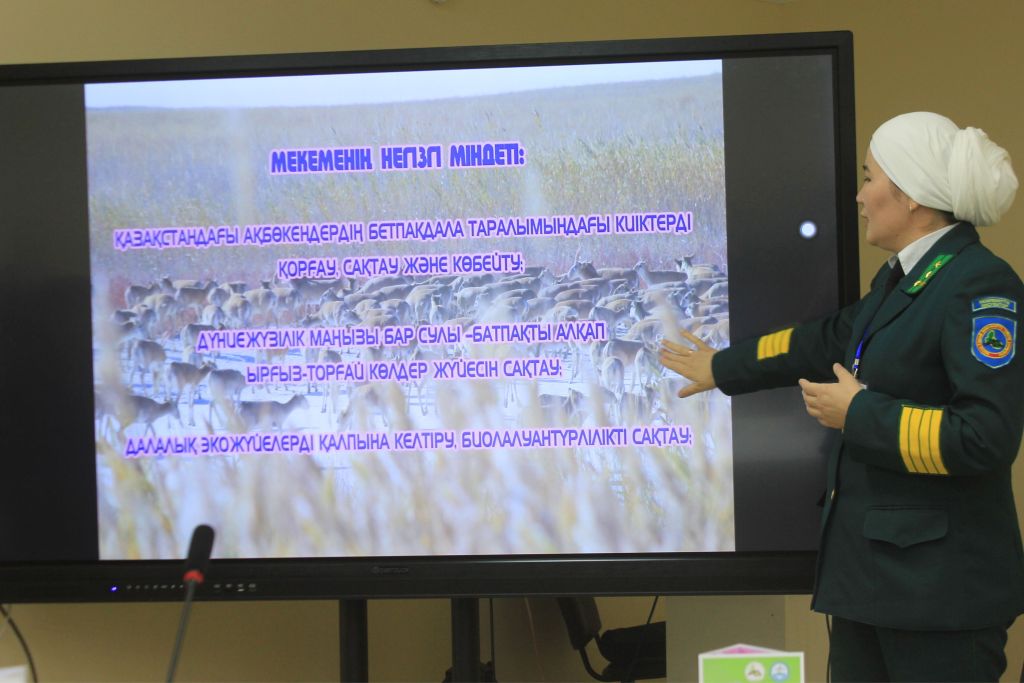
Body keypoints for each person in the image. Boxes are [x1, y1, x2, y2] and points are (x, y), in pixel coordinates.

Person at [660, 111, 1024, 682]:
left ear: (910, 195)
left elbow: (986, 436)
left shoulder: (979, 283)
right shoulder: (902, 281)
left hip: (940, 597)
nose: (859, 196)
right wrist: (720, 367)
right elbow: (822, 340)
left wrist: (860, 413)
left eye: (869, 178)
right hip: (872, 585)